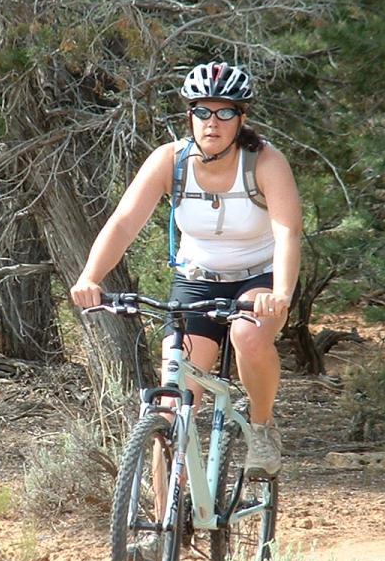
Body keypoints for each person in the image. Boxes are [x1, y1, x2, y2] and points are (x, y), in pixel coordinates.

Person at [70, 61, 302, 479]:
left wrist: (281, 292)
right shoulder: (170, 161)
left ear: (241, 118)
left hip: (258, 280)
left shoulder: (265, 162)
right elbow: (123, 223)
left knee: (247, 335)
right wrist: (91, 277)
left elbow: (288, 233)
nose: (212, 122)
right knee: (171, 408)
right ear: (189, 116)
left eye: (224, 112)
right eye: (202, 111)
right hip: (197, 281)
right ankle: (163, 531)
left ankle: (263, 428)